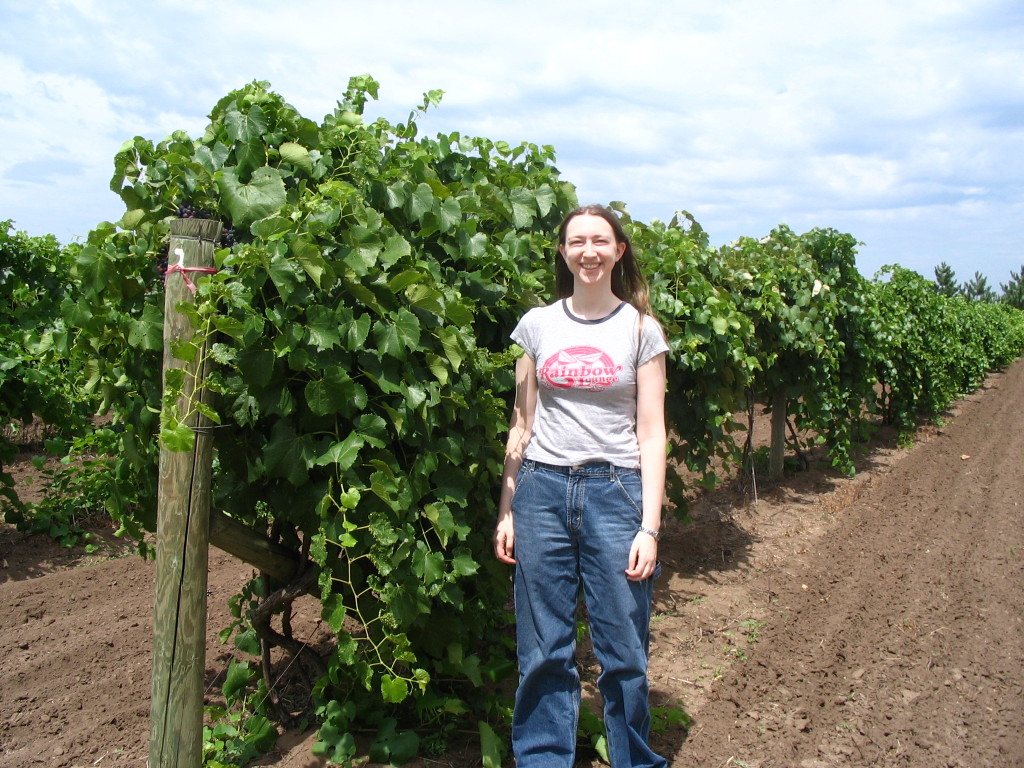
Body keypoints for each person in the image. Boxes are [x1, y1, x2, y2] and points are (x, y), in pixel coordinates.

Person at [493, 204, 670, 768]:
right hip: (542, 490)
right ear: (564, 252)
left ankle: (634, 759)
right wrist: (508, 508)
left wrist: (650, 525)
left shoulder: (641, 330)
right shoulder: (537, 325)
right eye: (577, 241)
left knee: (623, 649)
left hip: (614, 494)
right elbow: (521, 425)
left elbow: (652, 433)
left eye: (600, 240)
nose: (588, 251)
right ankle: (543, 758)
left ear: (619, 251)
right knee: (544, 648)